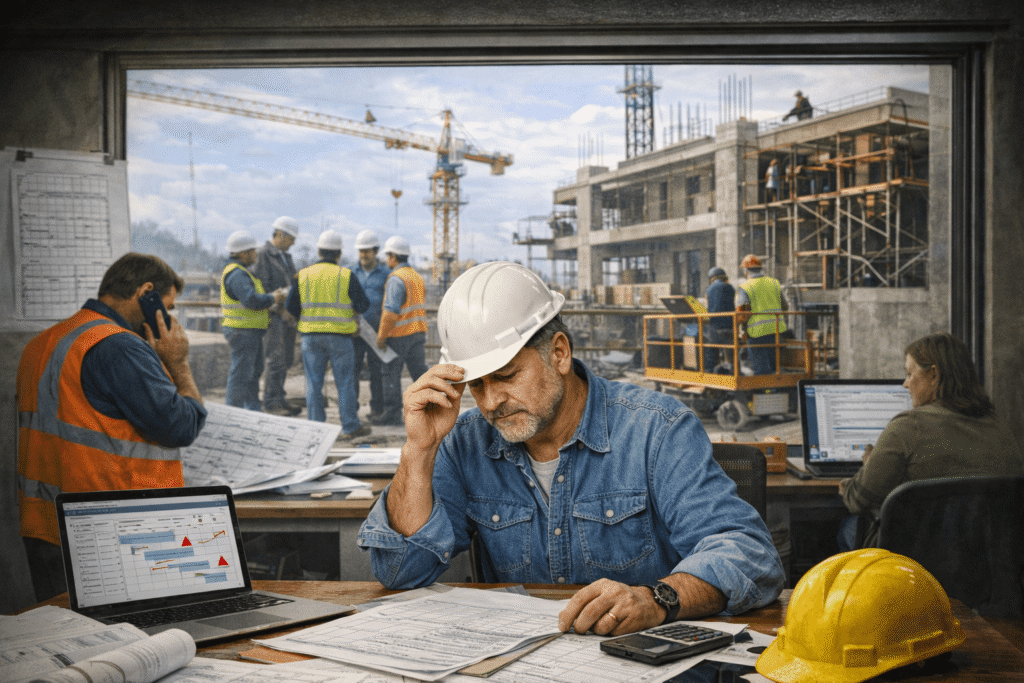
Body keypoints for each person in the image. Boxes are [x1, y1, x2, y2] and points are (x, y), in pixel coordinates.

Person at [357, 261, 784, 637]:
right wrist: (418, 449)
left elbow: (748, 553)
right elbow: (401, 571)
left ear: (559, 352)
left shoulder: (656, 429)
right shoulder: (465, 442)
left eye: (506, 376)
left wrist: (657, 599)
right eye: (476, 385)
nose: (489, 403)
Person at [17, 252, 208, 602]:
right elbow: (181, 425)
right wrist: (178, 363)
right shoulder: (119, 346)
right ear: (146, 292)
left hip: (44, 524)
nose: (168, 317)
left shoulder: (44, 342)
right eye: (168, 305)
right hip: (112, 531)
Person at [837, 332, 1023, 549]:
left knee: (848, 528)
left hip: (917, 568)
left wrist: (866, 469)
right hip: (990, 569)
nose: (906, 384)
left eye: (909, 373)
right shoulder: (1001, 428)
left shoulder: (908, 426)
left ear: (934, 374)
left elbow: (857, 500)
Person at [286, 229, 372, 439]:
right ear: (339, 253)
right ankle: (350, 427)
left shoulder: (303, 275)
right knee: (344, 383)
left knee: (314, 384)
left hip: (311, 337)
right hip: (340, 337)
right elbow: (363, 305)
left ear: (319, 251)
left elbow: (291, 306)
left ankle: (316, 429)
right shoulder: (345, 275)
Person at [221, 230, 286, 411]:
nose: (256, 255)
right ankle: (232, 413)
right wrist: (273, 298)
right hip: (242, 331)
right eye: (253, 251)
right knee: (241, 375)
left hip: (249, 330)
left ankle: (252, 410)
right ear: (244, 253)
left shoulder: (241, 272)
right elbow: (251, 300)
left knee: (252, 373)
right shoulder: (238, 275)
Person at [373, 235, 428, 426]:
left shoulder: (396, 279)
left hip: (399, 336)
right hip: (418, 332)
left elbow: (390, 313)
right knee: (420, 374)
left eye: (388, 255)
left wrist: (381, 337)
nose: (387, 260)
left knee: (390, 374)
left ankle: (392, 414)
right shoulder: (416, 276)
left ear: (393, 257)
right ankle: (430, 409)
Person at [252, 216, 300, 416]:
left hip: (288, 316)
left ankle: (279, 397)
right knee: (275, 359)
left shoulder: (285, 257)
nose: (293, 243)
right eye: (290, 238)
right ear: (279, 235)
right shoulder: (263, 255)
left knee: (286, 359)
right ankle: (271, 402)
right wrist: (279, 310)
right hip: (273, 316)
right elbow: (262, 288)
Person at [351, 229, 390, 423]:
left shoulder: (386, 274)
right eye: (361, 251)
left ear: (376, 251)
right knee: (353, 371)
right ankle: (352, 409)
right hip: (354, 332)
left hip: (377, 333)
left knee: (378, 373)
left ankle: (377, 409)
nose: (364, 255)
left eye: (367, 251)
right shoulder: (350, 272)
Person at [735, 254, 788, 375]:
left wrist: (739, 328)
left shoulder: (745, 286)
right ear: (760, 268)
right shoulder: (774, 283)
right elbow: (785, 306)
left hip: (756, 333)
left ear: (746, 270)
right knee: (776, 368)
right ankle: (777, 390)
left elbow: (743, 313)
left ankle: (765, 391)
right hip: (777, 331)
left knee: (761, 370)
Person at [703, 266, 735, 372]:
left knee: (711, 352)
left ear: (712, 278)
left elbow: (708, 306)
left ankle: (709, 373)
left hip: (714, 326)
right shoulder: (730, 287)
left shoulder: (708, 290)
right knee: (732, 354)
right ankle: (734, 372)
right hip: (729, 325)